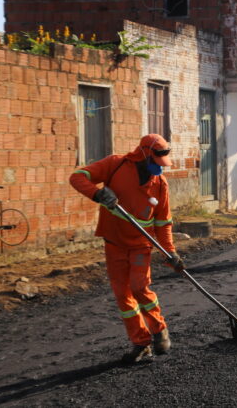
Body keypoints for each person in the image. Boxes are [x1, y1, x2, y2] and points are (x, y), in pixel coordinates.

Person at [69, 134, 184, 364]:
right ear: (142, 154)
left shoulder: (160, 185)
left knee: (140, 287)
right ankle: (141, 343)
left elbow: (163, 222)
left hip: (141, 245)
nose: (158, 169)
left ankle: (159, 329)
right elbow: (78, 177)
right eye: (155, 163)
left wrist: (170, 252)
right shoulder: (115, 164)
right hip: (114, 243)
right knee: (123, 295)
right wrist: (97, 193)